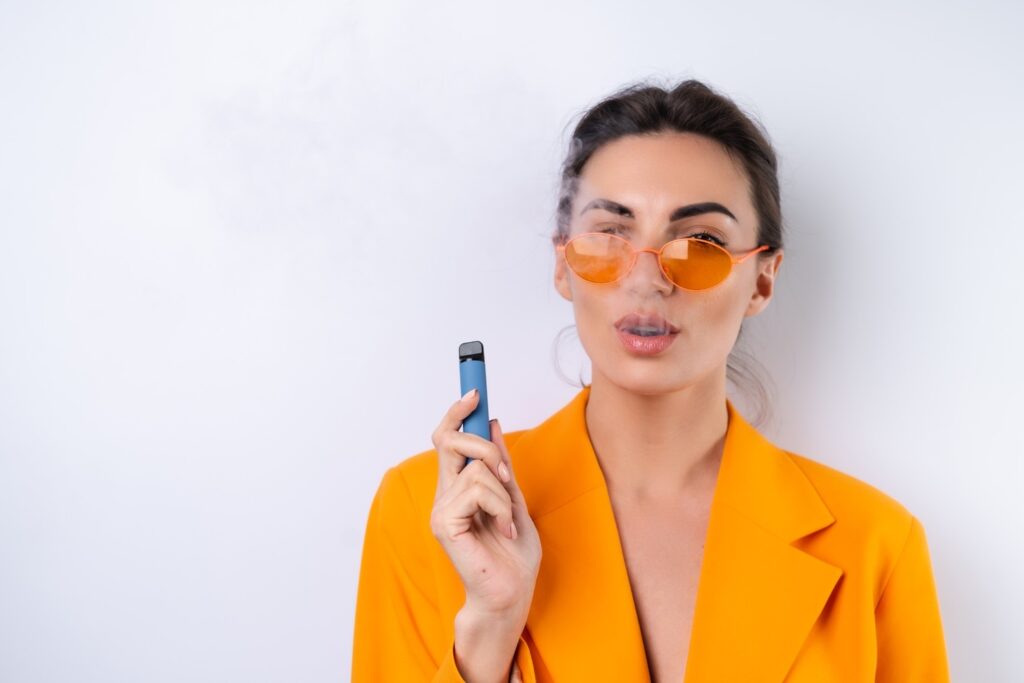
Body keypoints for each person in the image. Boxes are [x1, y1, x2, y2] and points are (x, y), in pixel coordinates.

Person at [351, 79, 950, 682]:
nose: (647, 280)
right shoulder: (428, 514)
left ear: (762, 281)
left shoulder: (875, 545)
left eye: (700, 242)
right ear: (564, 264)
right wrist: (490, 627)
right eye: (610, 233)